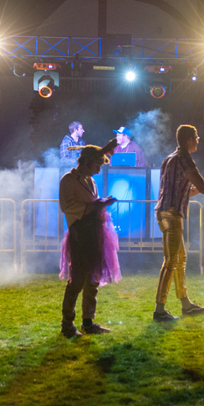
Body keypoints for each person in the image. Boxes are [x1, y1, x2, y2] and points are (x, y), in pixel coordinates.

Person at [153, 125, 204, 322]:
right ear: (189, 139)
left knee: (179, 260)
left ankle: (186, 305)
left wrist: (202, 188)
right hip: (172, 214)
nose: (198, 140)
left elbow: (187, 191)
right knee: (171, 261)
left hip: (166, 212)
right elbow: (202, 187)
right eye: (196, 137)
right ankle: (159, 310)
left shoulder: (169, 158)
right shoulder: (184, 159)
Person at [58, 139, 121, 338]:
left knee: (92, 280)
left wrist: (101, 203)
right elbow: (67, 206)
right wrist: (94, 206)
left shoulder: (90, 181)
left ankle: (87, 321)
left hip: (93, 233)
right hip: (79, 233)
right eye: (96, 166)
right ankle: (67, 324)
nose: (97, 171)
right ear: (86, 162)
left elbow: (92, 203)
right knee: (76, 281)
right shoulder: (68, 180)